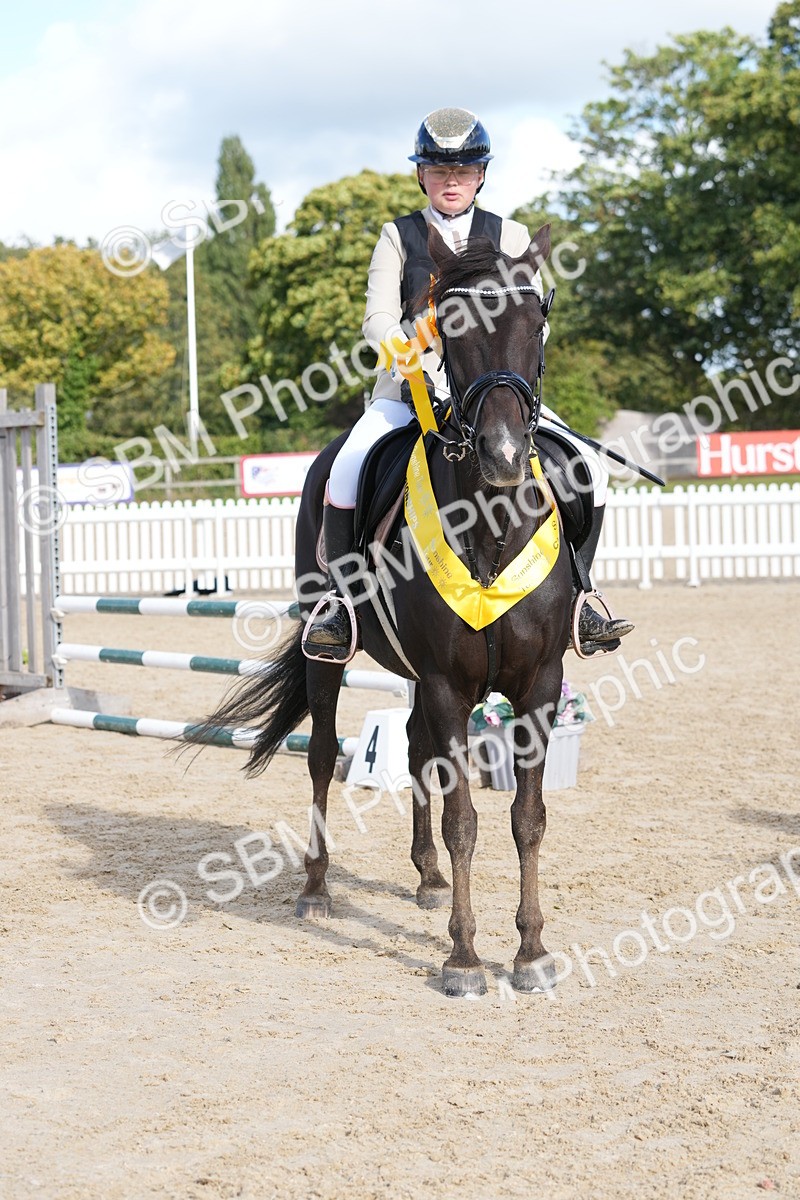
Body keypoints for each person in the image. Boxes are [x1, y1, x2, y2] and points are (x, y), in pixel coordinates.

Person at [304, 107, 633, 659]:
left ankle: (581, 596)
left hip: (497, 391)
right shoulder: (399, 235)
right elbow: (376, 320)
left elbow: (534, 317)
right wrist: (415, 347)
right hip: (412, 387)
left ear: (481, 175)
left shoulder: (513, 235)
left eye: (463, 170)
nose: (451, 180)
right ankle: (340, 604)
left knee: (591, 470)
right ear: (421, 176)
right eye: (438, 170)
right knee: (346, 468)